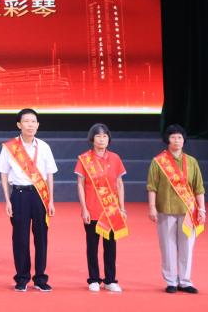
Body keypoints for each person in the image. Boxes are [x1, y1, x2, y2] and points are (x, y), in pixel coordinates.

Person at [0, 108, 58, 292]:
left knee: (41, 238)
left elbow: (49, 175)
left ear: (37, 125)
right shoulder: (9, 147)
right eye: (26, 121)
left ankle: (40, 278)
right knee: (20, 238)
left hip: (40, 196)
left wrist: (51, 200)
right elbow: (3, 174)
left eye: (33, 122)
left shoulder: (44, 147)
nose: (30, 125)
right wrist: (7, 200)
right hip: (19, 195)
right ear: (19, 125)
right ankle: (22, 278)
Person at [147, 124, 206, 294]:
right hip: (165, 209)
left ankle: (185, 281)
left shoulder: (192, 162)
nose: (177, 140)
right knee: (168, 246)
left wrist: (202, 209)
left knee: (187, 246)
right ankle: (171, 281)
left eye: (180, 137)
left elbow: (199, 188)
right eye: (173, 137)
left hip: (188, 210)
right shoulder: (158, 162)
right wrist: (152, 207)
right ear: (167, 139)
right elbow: (152, 187)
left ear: (184, 140)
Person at [74, 123, 127, 292]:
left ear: (108, 139)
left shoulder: (115, 158)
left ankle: (110, 280)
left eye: (105, 136)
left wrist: (122, 208)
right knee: (92, 247)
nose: (102, 139)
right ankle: (94, 279)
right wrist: (84, 209)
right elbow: (80, 185)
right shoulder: (84, 159)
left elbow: (119, 184)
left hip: (111, 210)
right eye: (98, 136)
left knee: (110, 247)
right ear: (92, 139)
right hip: (92, 210)